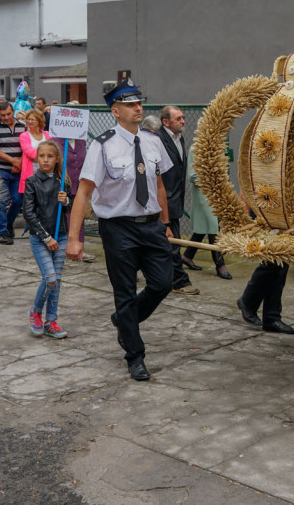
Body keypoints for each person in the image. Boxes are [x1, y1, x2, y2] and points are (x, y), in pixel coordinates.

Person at [67, 78, 176, 382]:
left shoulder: (153, 141)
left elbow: (157, 184)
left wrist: (165, 224)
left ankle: (123, 321)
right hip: (118, 229)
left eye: (139, 103)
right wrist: (74, 239)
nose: (138, 108)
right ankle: (135, 355)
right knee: (125, 293)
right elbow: (84, 193)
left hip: (151, 225)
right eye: (130, 104)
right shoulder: (101, 145)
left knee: (163, 283)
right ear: (115, 111)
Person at [236, 140, 294, 334]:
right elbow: (251, 174)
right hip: (269, 208)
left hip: (290, 213)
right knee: (272, 260)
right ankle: (250, 302)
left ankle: (271, 316)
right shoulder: (269, 140)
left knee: (280, 264)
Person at [23, 140, 70, 339]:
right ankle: (35, 311)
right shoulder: (32, 182)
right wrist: (46, 237)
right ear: (37, 157)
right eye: (42, 156)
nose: (45, 160)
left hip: (61, 235)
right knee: (49, 279)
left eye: (50, 156)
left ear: (57, 159)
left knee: (56, 281)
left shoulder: (62, 182)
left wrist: (66, 200)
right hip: (40, 238)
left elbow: (69, 207)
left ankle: (51, 321)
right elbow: (29, 214)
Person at [158, 105, 198, 295]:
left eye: (183, 117)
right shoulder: (158, 140)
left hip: (175, 200)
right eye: (178, 119)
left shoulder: (178, 138)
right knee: (173, 244)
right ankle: (179, 282)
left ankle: (163, 278)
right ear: (166, 122)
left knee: (168, 244)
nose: (183, 121)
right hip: (164, 202)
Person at [181, 148, 232, 279]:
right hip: (202, 193)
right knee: (213, 226)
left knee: (204, 226)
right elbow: (192, 176)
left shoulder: (217, 146)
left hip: (216, 192)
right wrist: (212, 175)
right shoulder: (195, 148)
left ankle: (187, 256)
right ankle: (220, 265)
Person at [51, 127, 95, 262]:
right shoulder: (55, 140)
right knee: (62, 217)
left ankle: (79, 248)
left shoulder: (81, 140)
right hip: (62, 185)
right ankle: (59, 246)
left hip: (79, 183)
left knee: (78, 217)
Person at [0, 100, 27, 244]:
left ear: (13, 112)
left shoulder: (22, 126)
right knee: (1, 201)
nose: (6, 117)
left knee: (17, 201)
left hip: (18, 170)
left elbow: (26, 146)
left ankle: (9, 222)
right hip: (0, 169)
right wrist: (13, 161)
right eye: (3, 115)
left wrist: (20, 163)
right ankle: (2, 232)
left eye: (9, 114)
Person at [17, 109, 50, 194]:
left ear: (39, 121)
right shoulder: (24, 136)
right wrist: (48, 159)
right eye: (28, 119)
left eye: (33, 119)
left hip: (48, 174)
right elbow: (31, 153)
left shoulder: (47, 134)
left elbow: (53, 151)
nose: (30, 121)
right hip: (32, 176)